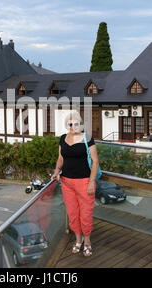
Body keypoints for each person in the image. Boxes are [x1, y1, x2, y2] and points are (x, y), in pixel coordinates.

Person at [51, 110, 99, 257]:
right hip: (66, 182)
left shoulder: (87, 138)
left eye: (76, 124)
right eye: (70, 124)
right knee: (72, 213)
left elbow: (95, 161)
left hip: (84, 182)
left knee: (85, 213)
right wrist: (57, 170)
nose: (72, 126)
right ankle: (78, 240)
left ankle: (87, 242)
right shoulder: (63, 138)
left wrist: (91, 182)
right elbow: (61, 158)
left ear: (80, 124)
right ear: (67, 125)